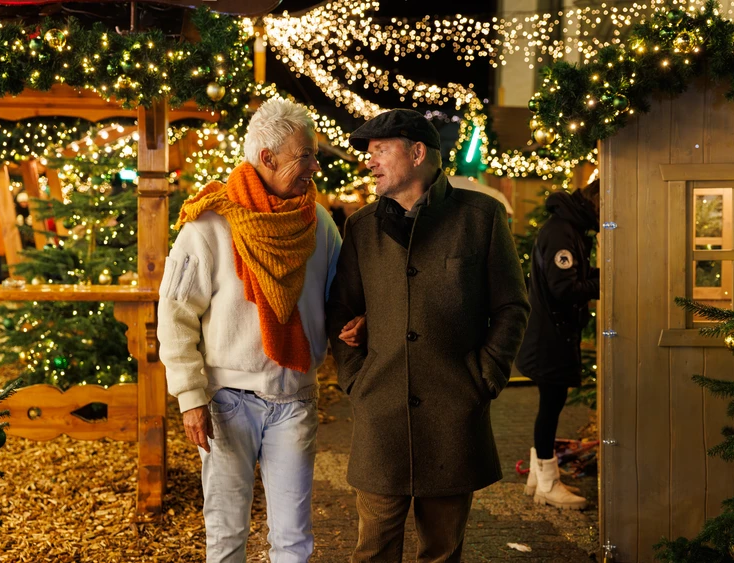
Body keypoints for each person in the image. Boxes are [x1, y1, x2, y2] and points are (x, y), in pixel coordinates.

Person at [326, 109, 530, 563]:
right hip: (381, 413)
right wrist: (355, 379)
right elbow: (341, 309)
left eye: (380, 150)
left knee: (441, 552)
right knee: (373, 550)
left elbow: (511, 307)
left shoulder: (482, 218)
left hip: (453, 416)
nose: (370, 161)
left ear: (418, 153)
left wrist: (485, 379)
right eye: (369, 153)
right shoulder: (361, 227)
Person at [156, 99, 343, 562]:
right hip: (225, 403)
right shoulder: (209, 223)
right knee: (225, 534)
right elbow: (175, 313)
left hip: (295, 398)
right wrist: (191, 398)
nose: (315, 167)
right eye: (306, 156)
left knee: (294, 540)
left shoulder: (318, 223)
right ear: (267, 158)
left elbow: (342, 294)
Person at [515, 180, 600, 511]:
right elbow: (564, 287)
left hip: (552, 334)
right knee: (550, 406)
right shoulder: (562, 231)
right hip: (550, 337)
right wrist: (604, 281)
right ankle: (548, 483)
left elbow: (572, 276)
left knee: (550, 405)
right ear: (595, 201)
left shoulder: (567, 227)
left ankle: (538, 477)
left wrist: (596, 274)